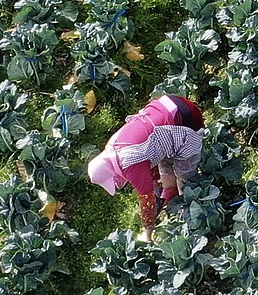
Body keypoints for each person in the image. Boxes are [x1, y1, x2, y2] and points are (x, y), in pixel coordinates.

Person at [87, 94, 206, 240]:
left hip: (189, 118)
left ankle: (192, 209)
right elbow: (149, 162)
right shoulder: (112, 146)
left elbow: (147, 199)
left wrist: (147, 234)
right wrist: (158, 192)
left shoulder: (129, 165)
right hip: (168, 106)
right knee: (164, 159)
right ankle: (170, 191)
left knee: (185, 175)